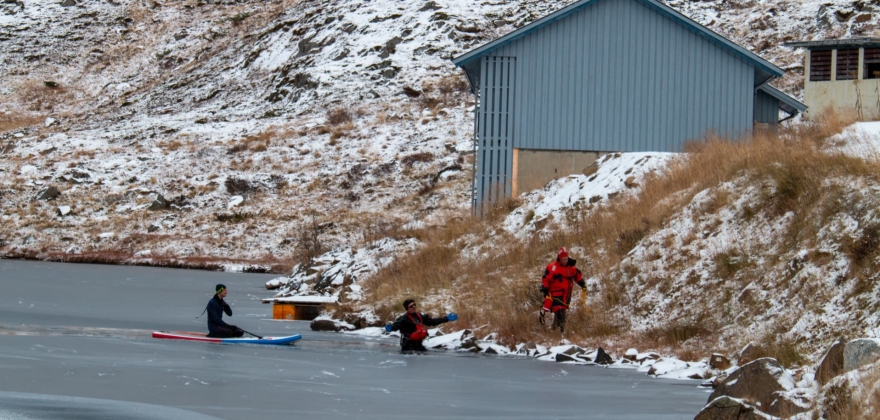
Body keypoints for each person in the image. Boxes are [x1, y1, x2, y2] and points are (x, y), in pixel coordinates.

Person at [385, 299, 458, 352]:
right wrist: (391, 328)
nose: (414, 307)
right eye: (411, 306)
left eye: (414, 305)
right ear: (407, 309)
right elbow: (396, 325)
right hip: (408, 346)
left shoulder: (420, 316)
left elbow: (431, 322)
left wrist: (446, 318)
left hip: (419, 344)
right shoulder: (403, 319)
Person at [541, 247, 585, 333]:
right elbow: (545, 278)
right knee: (559, 309)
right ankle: (562, 331)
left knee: (561, 310)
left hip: (566, 294)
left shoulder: (571, 268)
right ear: (559, 258)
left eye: (566, 259)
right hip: (556, 294)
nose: (565, 261)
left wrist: (582, 284)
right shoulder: (552, 267)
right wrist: (545, 288)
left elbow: (577, 275)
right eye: (563, 259)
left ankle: (554, 330)